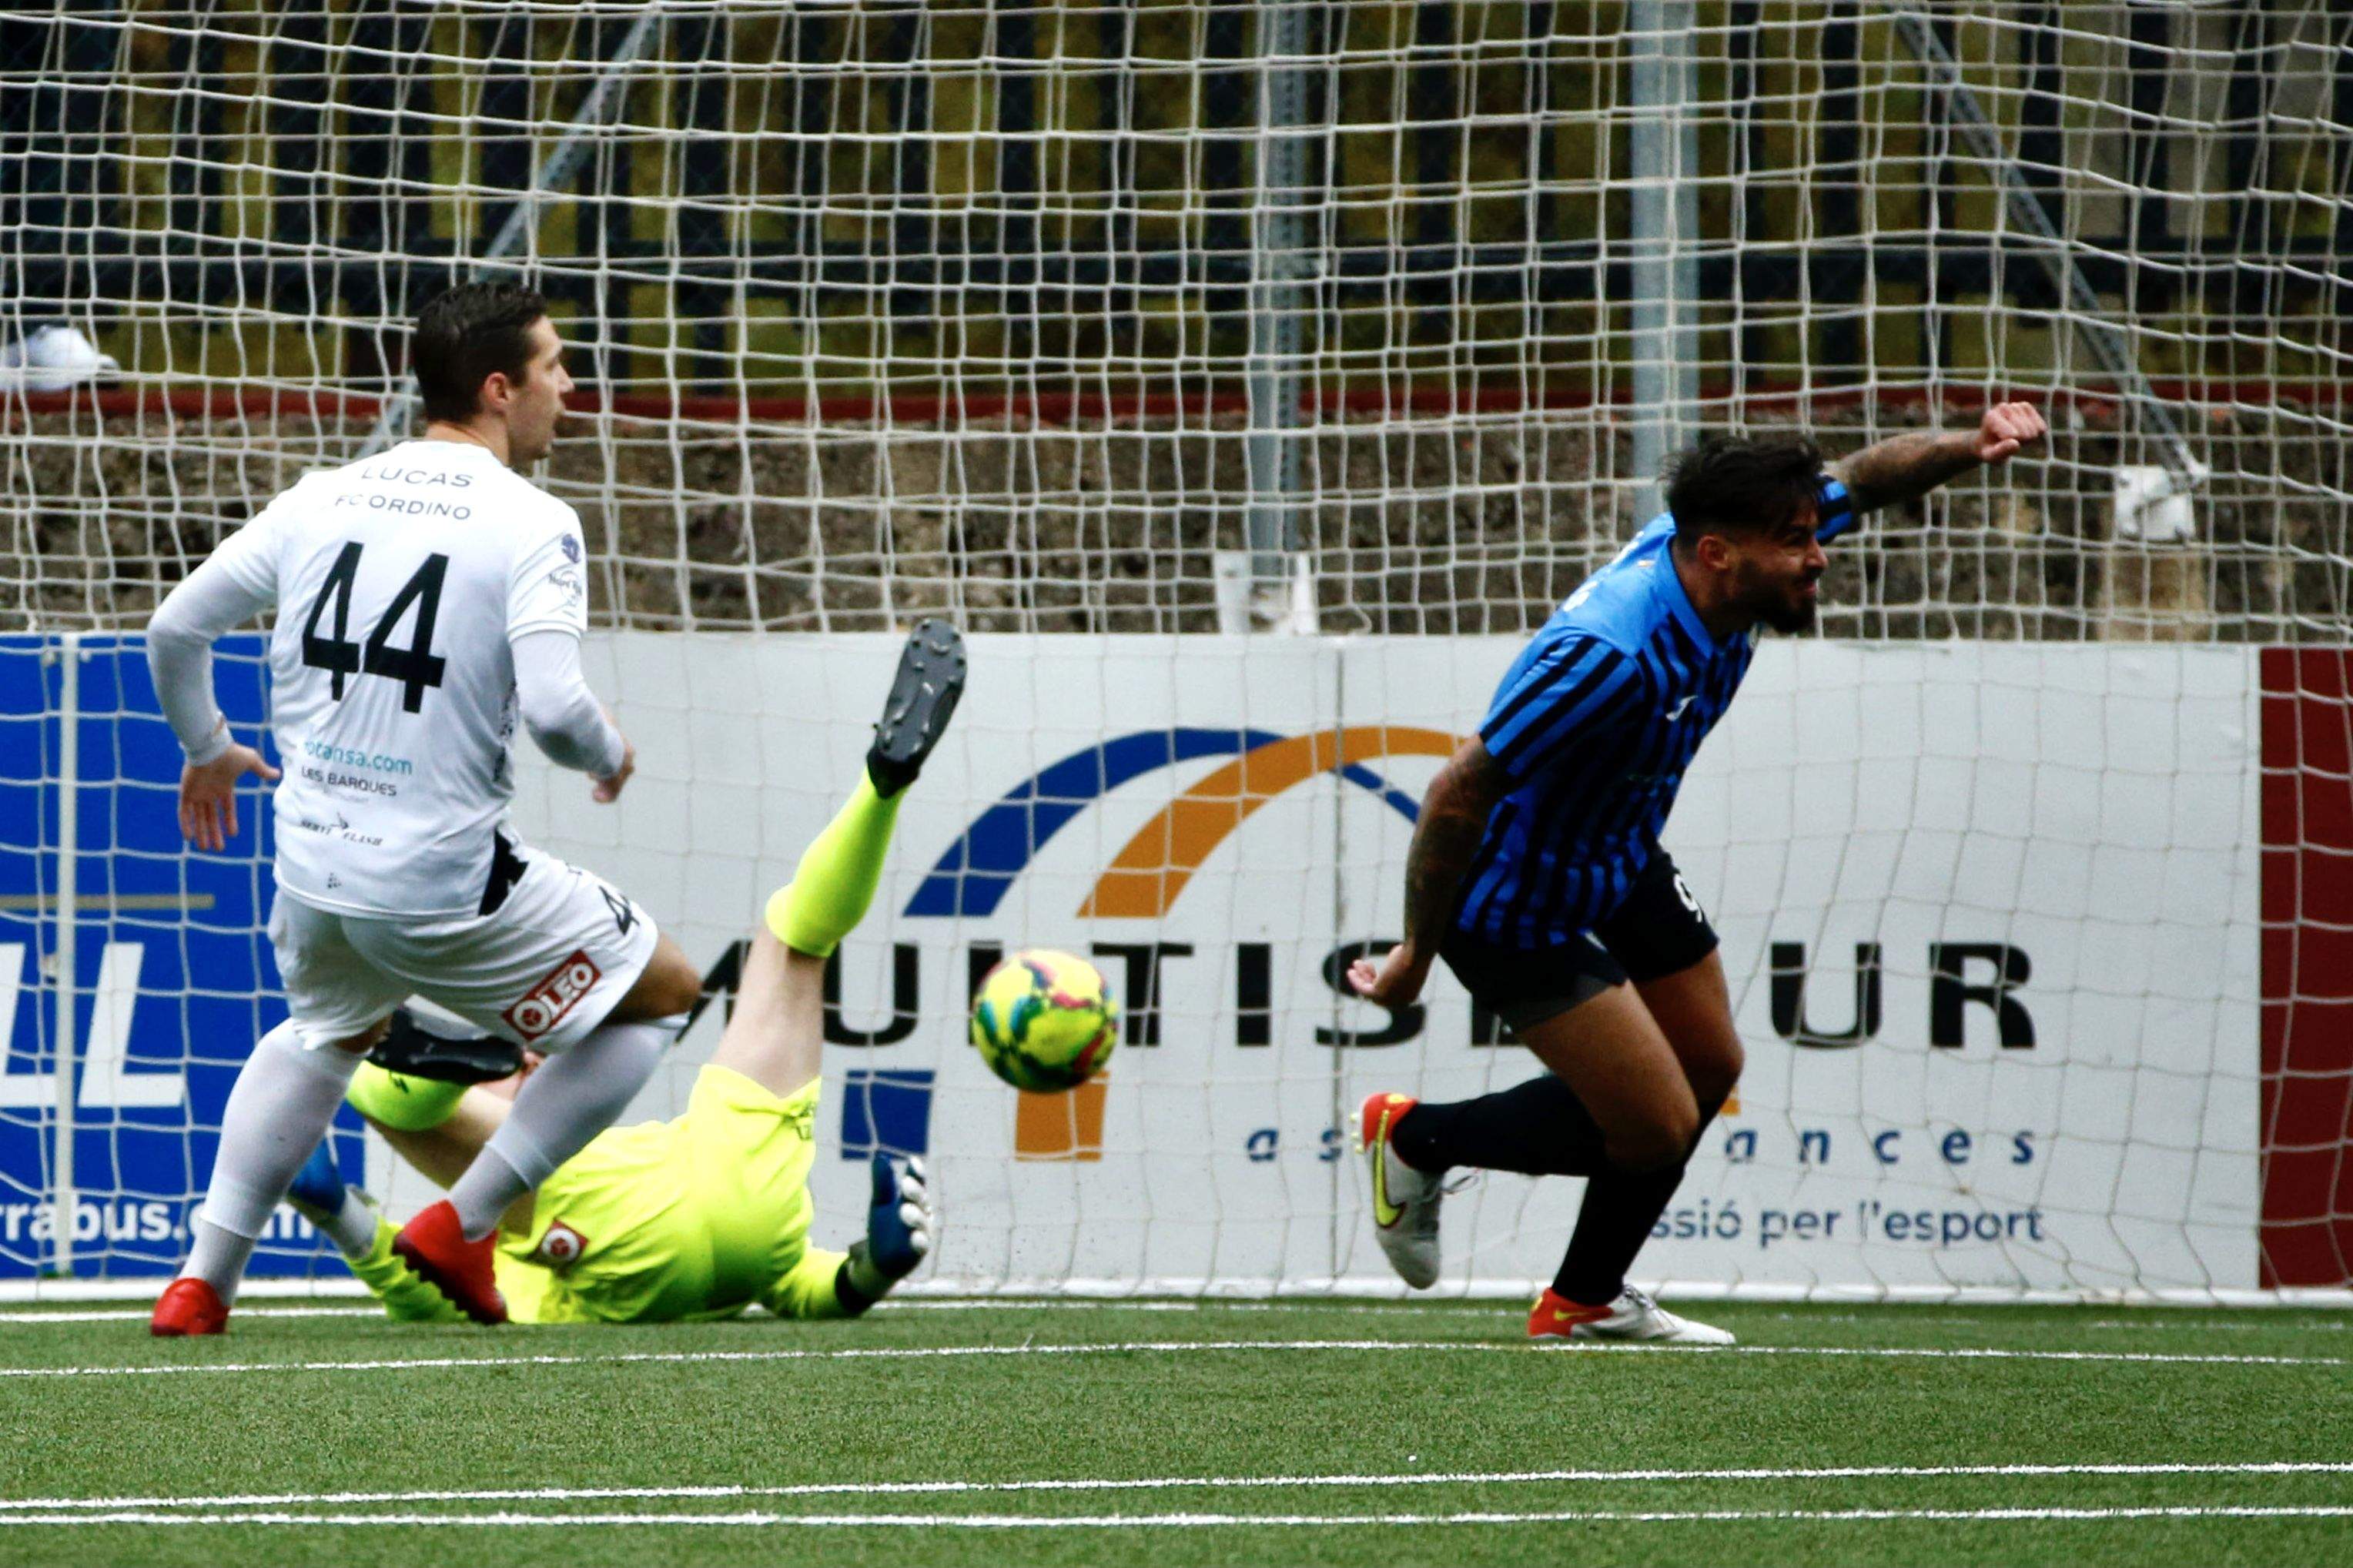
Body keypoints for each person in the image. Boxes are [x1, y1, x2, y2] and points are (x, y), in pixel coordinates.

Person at [1348, 406, 2048, 1342]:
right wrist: (1414, 958)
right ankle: (1414, 1137)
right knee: (1652, 1128)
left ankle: (1583, 1299)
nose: (1818, 555)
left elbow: (1867, 476)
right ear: (1718, 553)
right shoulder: (1607, 655)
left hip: (1622, 852)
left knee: (1710, 1067)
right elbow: (1455, 794)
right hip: (1513, 899)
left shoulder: (1732, 561)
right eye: (1795, 542)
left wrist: (1973, 442)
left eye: (1812, 533)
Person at [146, 281, 708, 1334]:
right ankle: (466, 1220)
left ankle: (202, 1282)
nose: (570, 389)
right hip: (442, 879)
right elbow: (551, 707)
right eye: (554, 368)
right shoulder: (534, 520)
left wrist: (210, 750)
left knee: (325, 1030)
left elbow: (175, 630)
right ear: (500, 389)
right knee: (668, 991)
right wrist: (608, 750)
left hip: (313, 870)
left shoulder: (323, 494)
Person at [290, 620, 966, 1326]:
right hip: (747, 1182)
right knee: (792, 939)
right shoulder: (617, 1168)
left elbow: (430, 1296)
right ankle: (881, 788)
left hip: (602, 1221)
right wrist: (863, 1272)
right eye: (515, 1063)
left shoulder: (516, 1237)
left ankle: (453, 1063)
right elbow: (797, 1284)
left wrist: (344, 1220)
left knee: (379, 1093)